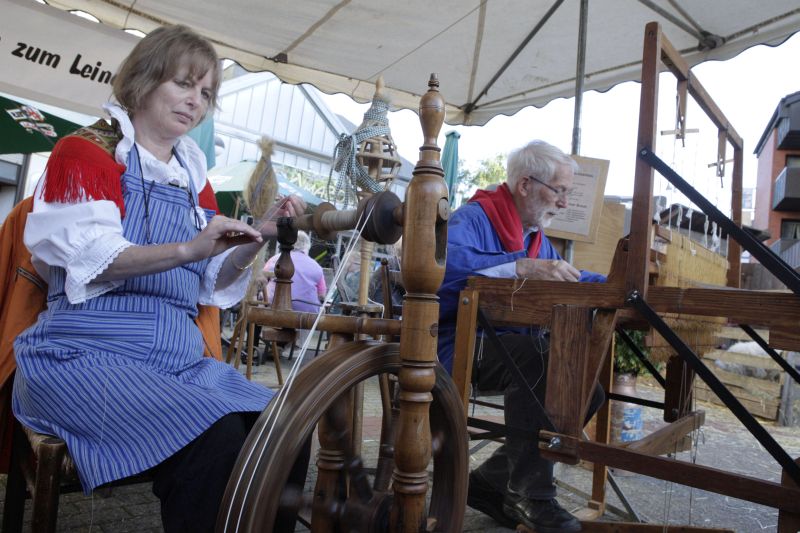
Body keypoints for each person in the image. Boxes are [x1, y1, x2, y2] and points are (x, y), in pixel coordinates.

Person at [12, 25, 305, 533]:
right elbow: (94, 259)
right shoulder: (86, 154)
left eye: (206, 93)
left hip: (176, 361)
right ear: (144, 79)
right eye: (184, 84)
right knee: (216, 439)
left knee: (283, 431)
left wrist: (256, 236)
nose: (196, 101)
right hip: (84, 355)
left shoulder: (193, 176)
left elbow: (209, 279)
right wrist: (188, 248)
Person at [437, 140, 606, 533]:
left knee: (586, 387)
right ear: (526, 184)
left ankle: (490, 482)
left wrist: (618, 286)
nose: (564, 203)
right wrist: (520, 266)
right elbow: (445, 266)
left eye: (567, 192)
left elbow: (570, 275)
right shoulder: (473, 218)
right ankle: (532, 496)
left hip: (504, 346)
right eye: (559, 190)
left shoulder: (535, 239)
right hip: (456, 342)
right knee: (543, 361)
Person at [262, 230, 326, 352]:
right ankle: (299, 346)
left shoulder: (275, 259)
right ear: (307, 246)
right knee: (307, 311)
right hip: (305, 312)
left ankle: (269, 344)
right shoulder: (316, 266)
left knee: (262, 304)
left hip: (274, 306)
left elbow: (262, 280)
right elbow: (322, 294)